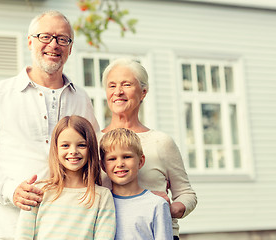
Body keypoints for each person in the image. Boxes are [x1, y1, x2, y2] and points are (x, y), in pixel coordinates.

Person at [0, 10, 99, 239]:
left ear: (70, 48)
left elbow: (97, 159)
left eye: (62, 39)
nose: (53, 45)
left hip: (67, 230)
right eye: (45, 36)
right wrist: (10, 190)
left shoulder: (81, 98)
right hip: (11, 230)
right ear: (30, 42)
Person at [100, 58, 197, 240]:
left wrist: (167, 209)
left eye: (126, 84)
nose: (118, 92)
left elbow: (186, 193)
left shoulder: (161, 142)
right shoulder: (95, 141)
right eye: (112, 86)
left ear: (143, 92)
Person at [15, 115, 116, 239]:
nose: (73, 151)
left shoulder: (102, 196)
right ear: (55, 149)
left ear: (91, 149)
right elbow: (23, 236)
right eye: (65, 145)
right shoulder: (38, 191)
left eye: (81, 145)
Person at [100, 128, 173, 240]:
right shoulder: (100, 203)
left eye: (126, 157)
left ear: (140, 161)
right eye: (112, 159)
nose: (120, 164)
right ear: (103, 166)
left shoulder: (157, 204)